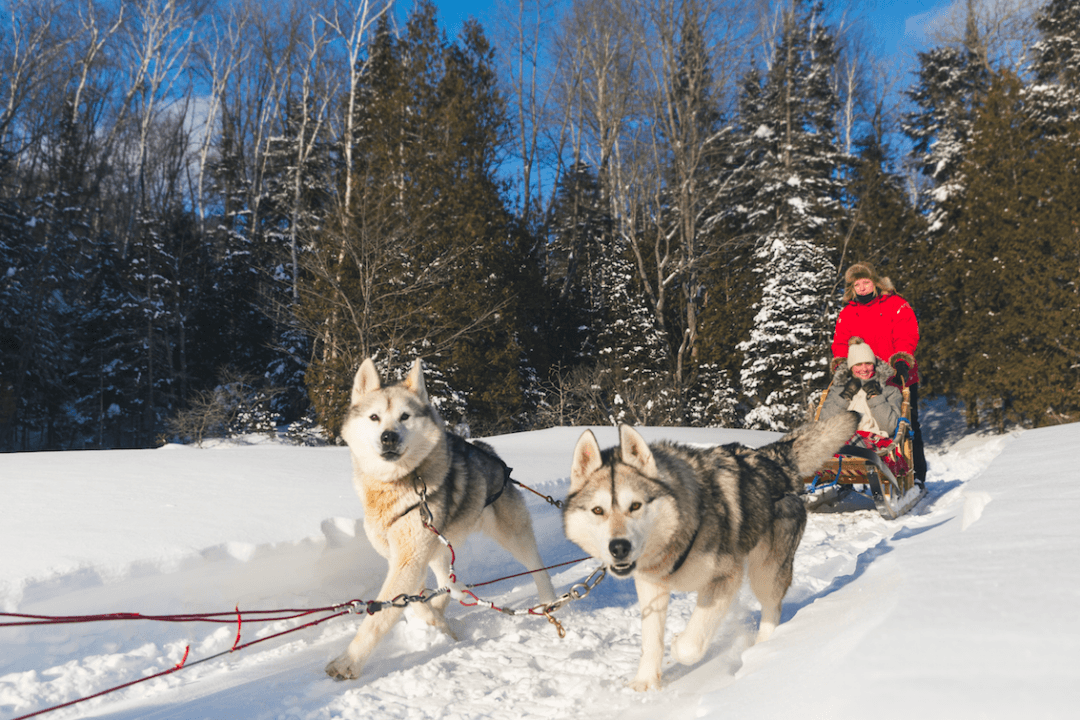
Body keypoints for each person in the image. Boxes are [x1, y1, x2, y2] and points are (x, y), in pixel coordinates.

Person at [830, 262, 926, 485]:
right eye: (857, 285)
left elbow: (906, 333)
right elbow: (841, 343)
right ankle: (857, 470)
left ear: (875, 282)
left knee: (906, 426)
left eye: (865, 282)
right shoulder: (848, 313)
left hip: (896, 377)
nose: (862, 288)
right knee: (864, 422)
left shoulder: (896, 305)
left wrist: (901, 359)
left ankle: (916, 475)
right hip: (862, 378)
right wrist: (842, 365)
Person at [820, 338, 909, 478]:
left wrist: (875, 397)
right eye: (858, 364)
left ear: (874, 365)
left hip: (876, 445)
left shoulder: (889, 391)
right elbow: (824, 423)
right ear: (851, 367)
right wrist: (845, 396)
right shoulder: (838, 391)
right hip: (843, 442)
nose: (864, 369)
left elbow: (891, 428)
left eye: (868, 363)